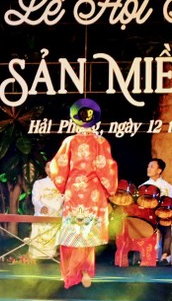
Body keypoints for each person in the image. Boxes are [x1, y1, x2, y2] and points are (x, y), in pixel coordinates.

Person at [49, 99, 118, 289]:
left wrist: (64, 185)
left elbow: (58, 166)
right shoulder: (101, 142)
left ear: (75, 121)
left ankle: (71, 273)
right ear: (95, 121)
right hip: (93, 191)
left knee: (73, 230)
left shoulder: (69, 141)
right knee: (87, 231)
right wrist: (109, 190)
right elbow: (107, 168)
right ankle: (86, 270)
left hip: (74, 189)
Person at [142, 158, 172, 266]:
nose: (148, 169)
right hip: (148, 219)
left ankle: (165, 256)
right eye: (148, 166)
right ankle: (146, 256)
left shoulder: (168, 187)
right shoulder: (143, 187)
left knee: (167, 229)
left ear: (159, 170)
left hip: (161, 217)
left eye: (152, 166)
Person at [29, 161, 63, 260]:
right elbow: (35, 198)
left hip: (57, 215)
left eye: (53, 167)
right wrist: (41, 206)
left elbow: (64, 198)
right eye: (48, 167)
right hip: (42, 214)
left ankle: (54, 256)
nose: (50, 169)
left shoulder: (62, 184)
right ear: (45, 169)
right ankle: (36, 257)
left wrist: (56, 209)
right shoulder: (39, 183)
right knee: (38, 235)